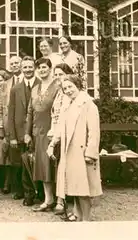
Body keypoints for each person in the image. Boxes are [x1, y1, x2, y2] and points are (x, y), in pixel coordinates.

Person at [47, 75, 102, 222]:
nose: (68, 90)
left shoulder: (88, 105)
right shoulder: (67, 105)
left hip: (82, 152)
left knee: (84, 189)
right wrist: (52, 144)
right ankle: (78, 215)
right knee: (74, 186)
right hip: (68, 152)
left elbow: (94, 132)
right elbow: (60, 128)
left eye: (70, 87)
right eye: (65, 88)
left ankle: (86, 219)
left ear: (78, 86)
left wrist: (90, 153)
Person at [24, 58, 60, 212]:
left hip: (52, 131)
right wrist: (27, 133)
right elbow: (30, 112)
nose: (41, 70)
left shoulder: (58, 86)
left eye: (44, 67)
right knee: (42, 166)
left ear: (50, 68)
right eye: (39, 68)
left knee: (55, 165)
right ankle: (48, 198)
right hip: (37, 132)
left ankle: (60, 201)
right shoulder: (35, 88)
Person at [6, 56, 40, 205]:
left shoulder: (41, 85)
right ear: (21, 68)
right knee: (20, 163)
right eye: (25, 67)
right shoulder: (15, 89)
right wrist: (12, 136)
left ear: (35, 68)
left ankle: (38, 192)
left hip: (37, 131)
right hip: (19, 132)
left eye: (30, 67)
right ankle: (24, 192)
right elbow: (11, 114)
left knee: (37, 163)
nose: (27, 70)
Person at [50, 63, 74, 215]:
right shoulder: (58, 93)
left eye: (61, 74)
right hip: (56, 132)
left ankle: (62, 200)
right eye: (56, 74)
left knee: (65, 167)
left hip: (67, 134)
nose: (58, 77)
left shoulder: (68, 93)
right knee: (59, 167)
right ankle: (60, 198)